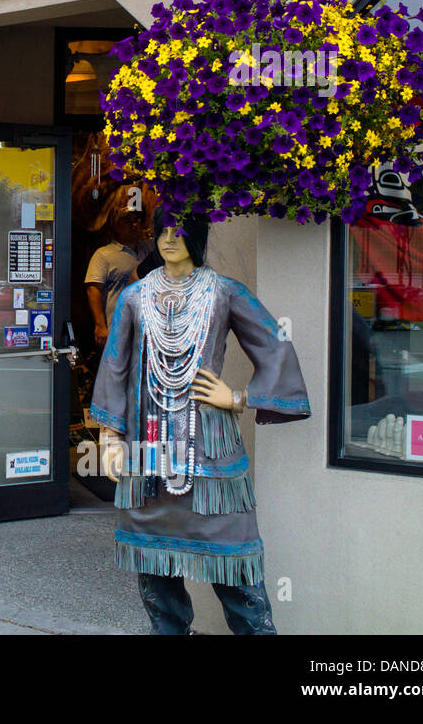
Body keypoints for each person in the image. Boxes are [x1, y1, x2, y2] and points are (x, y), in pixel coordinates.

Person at [91, 209, 310, 634]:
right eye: (162, 231)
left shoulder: (225, 292)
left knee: (234, 566)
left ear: (197, 235)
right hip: (148, 449)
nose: (169, 239)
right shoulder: (135, 297)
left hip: (210, 450)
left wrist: (239, 396)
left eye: (179, 231)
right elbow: (114, 364)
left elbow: (275, 345)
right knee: (155, 572)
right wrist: (109, 433)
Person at [85, 190, 151, 348]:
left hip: (149, 329)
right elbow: (93, 289)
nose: (134, 224)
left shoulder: (150, 249)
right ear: (116, 224)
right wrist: (100, 326)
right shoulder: (104, 255)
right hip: (119, 330)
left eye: (137, 220)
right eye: (128, 220)